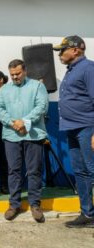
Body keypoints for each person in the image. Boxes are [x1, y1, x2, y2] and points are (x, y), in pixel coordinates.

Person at [0, 59, 48, 223]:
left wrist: (24, 122)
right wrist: (13, 123)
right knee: (14, 170)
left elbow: (42, 106)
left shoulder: (37, 86)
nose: (15, 77)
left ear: (25, 71)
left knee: (34, 171)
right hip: (11, 135)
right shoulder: (4, 90)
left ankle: (35, 205)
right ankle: (14, 205)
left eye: (18, 73)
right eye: (12, 75)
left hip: (33, 134)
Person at [53, 35, 94, 228]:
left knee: (92, 170)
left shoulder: (88, 69)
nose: (60, 54)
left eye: (63, 50)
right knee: (81, 172)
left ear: (75, 50)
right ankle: (88, 213)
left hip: (88, 128)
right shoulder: (71, 71)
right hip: (72, 128)